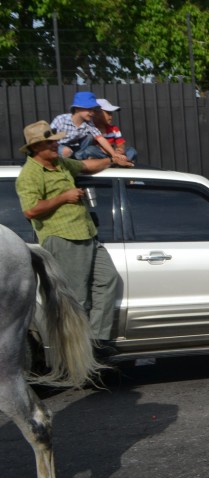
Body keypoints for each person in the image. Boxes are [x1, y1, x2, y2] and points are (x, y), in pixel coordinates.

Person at [15, 120, 134, 347]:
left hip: (87, 233)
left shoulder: (60, 163)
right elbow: (30, 210)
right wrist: (64, 197)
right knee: (77, 297)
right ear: (35, 148)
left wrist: (111, 160)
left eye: (55, 141)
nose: (55, 145)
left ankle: (96, 339)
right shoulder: (30, 174)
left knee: (107, 280)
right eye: (49, 143)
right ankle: (76, 349)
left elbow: (86, 166)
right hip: (63, 237)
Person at [50, 91, 120, 160]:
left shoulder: (89, 122)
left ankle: (78, 159)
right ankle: (63, 164)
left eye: (93, 110)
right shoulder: (61, 119)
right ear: (77, 109)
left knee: (89, 137)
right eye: (89, 109)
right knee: (67, 151)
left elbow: (100, 138)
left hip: (76, 148)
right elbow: (49, 138)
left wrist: (114, 154)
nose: (92, 113)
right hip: (59, 146)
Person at [79, 98, 138, 162]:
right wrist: (108, 151)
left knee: (131, 150)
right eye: (108, 113)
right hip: (100, 153)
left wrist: (121, 149)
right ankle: (117, 161)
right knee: (89, 150)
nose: (111, 117)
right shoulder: (89, 128)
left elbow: (120, 143)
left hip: (113, 154)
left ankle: (115, 161)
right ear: (96, 113)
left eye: (111, 114)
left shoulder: (114, 129)